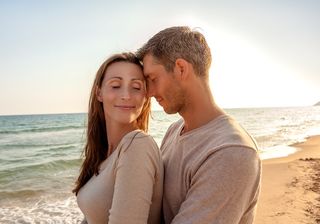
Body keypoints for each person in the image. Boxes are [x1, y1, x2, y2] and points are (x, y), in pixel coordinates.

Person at [136, 26, 261, 224]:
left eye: (153, 78)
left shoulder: (231, 152)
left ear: (181, 69)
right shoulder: (174, 130)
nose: (149, 92)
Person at [73, 52, 163, 224]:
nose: (126, 95)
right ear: (99, 93)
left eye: (136, 87)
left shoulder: (137, 145)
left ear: (145, 96)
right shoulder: (105, 154)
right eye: (115, 85)